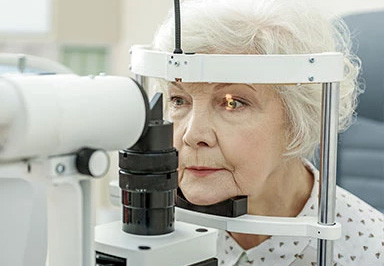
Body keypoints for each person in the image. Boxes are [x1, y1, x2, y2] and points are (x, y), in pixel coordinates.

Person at [151, 0, 384, 265]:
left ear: (298, 120)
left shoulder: (370, 251)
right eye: (179, 100)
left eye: (232, 103)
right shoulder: (156, 231)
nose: (192, 135)